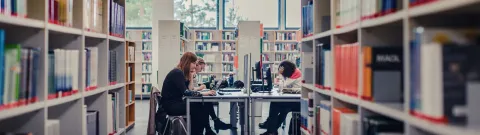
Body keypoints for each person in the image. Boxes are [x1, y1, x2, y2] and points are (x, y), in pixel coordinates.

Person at [160, 52, 216, 135]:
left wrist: (190, 78)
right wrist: (205, 93)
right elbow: (186, 93)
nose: (194, 66)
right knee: (198, 107)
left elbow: (189, 89)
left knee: (200, 105)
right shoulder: (177, 73)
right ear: (187, 62)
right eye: (193, 63)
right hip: (171, 106)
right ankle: (199, 132)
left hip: (176, 103)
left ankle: (203, 131)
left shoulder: (180, 72)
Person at [190, 58, 233, 134]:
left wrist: (201, 87)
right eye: (201, 68)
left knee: (207, 101)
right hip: (190, 100)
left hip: (192, 98)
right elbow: (192, 89)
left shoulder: (194, 74)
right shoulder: (192, 73)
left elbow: (193, 88)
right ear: (197, 65)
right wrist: (200, 88)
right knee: (206, 103)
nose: (202, 70)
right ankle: (214, 124)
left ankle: (211, 127)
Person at [260, 60, 302, 135]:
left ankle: (271, 130)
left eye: (282, 70)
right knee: (282, 109)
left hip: (298, 102)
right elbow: (282, 86)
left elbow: (282, 86)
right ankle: (272, 130)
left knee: (275, 103)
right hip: (295, 99)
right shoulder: (294, 72)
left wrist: (280, 74)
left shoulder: (295, 74)